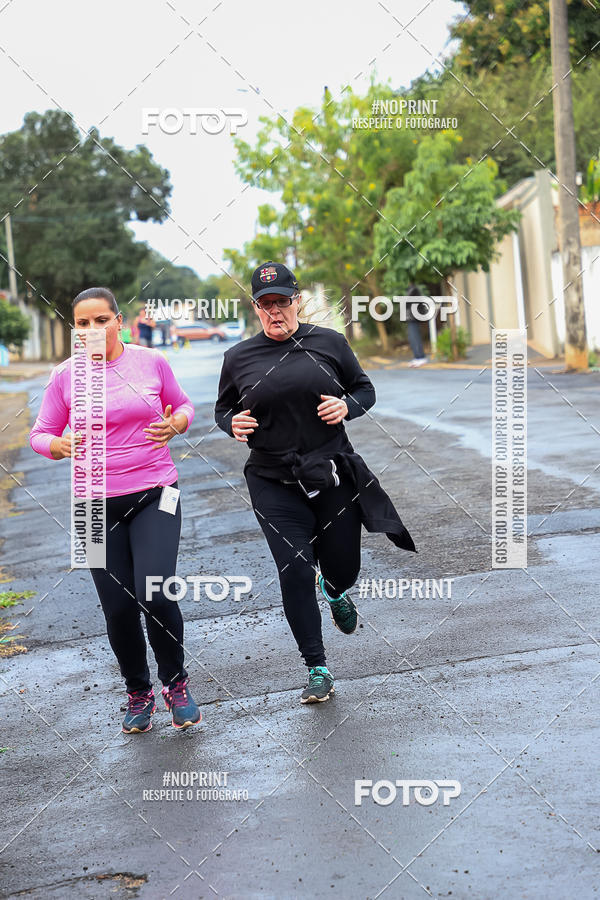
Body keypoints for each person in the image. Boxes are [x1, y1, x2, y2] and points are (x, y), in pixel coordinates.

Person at [214, 262, 416, 705]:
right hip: (272, 480)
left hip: (330, 473)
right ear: (255, 308)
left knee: (343, 566)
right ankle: (317, 667)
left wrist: (347, 407)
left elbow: (364, 389)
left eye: (282, 302)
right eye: (266, 305)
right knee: (294, 569)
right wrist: (234, 423)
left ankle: (336, 588)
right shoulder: (238, 358)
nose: (275, 312)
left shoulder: (330, 343)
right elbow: (222, 410)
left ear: (297, 301)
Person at [29, 287, 201, 733]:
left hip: (155, 491)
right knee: (119, 608)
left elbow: (183, 406)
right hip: (92, 505)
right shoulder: (64, 376)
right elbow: (40, 433)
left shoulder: (150, 362)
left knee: (156, 590)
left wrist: (176, 423)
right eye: (82, 324)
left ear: (118, 321)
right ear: (75, 330)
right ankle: (138, 692)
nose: (92, 330)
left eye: (100, 320)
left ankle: (176, 683)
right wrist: (57, 445)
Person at [406, 283, 428, 367]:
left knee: (415, 337)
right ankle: (417, 357)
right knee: (412, 338)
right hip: (411, 318)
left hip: (414, 318)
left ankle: (421, 357)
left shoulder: (414, 290)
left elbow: (414, 305)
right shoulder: (410, 290)